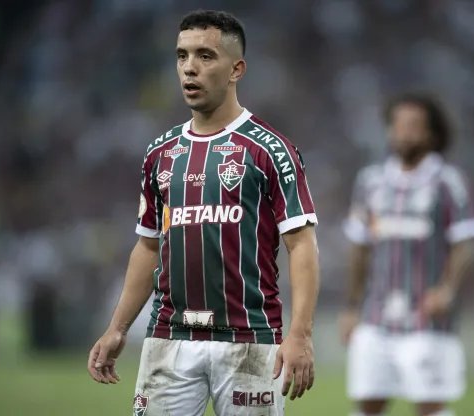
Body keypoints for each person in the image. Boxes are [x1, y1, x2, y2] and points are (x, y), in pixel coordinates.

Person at [87, 10, 320, 416]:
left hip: (249, 338)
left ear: (236, 69)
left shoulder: (269, 150)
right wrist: (117, 328)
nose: (189, 68)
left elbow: (302, 245)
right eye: (181, 56)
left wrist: (299, 333)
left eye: (205, 56)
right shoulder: (160, 153)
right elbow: (146, 248)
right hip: (168, 336)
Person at [339, 92, 474, 416]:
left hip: (427, 319)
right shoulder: (371, 182)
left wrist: (447, 288)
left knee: (430, 406)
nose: (402, 133)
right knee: (368, 403)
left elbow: (466, 243)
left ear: (432, 134)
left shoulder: (450, 182)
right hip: (375, 318)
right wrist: (351, 307)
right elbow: (359, 248)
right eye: (397, 125)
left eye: (413, 126)